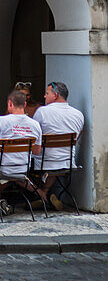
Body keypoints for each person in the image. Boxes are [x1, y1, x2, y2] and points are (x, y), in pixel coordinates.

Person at [31, 81, 85, 210]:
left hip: (44, 163)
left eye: (47, 93)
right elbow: (76, 139)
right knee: (54, 161)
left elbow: (33, 135)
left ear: (55, 95)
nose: (44, 96)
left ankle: (41, 194)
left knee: (18, 162)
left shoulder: (42, 112)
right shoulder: (78, 114)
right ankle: (47, 195)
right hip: (67, 162)